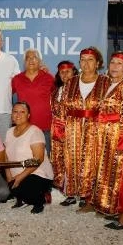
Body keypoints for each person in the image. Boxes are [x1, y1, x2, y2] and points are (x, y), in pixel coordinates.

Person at [83, 51, 123, 230]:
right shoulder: (108, 84)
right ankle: (113, 209)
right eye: (113, 63)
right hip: (105, 137)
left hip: (118, 136)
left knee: (122, 175)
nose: (114, 66)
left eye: (119, 64)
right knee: (110, 174)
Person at [58, 47, 110, 210]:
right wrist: (60, 127)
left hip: (95, 127)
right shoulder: (72, 81)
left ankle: (89, 196)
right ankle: (74, 192)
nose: (86, 63)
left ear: (98, 63)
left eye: (90, 60)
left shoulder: (105, 82)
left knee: (91, 161)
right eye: (83, 60)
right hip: (73, 126)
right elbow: (62, 106)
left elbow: (109, 107)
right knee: (72, 160)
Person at [4, 102, 53, 214]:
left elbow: (38, 159)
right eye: (15, 112)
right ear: (11, 114)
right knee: (3, 191)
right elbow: (6, 156)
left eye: (22, 112)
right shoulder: (9, 132)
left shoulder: (35, 131)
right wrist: (8, 175)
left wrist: (20, 177)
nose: (18, 115)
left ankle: (41, 199)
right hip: (15, 173)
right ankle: (22, 197)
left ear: (28, 115)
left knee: (28, 188)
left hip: (37, 173)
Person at [12, 49, 55, 153]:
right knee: (25, 158)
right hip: (23, 127)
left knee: (45, 162)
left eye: (34, 57)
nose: (31, 60)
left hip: (45, 128)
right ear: (24, 62)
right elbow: (8, 98)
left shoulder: (49, 78)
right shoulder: (17, 79)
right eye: (28, 58)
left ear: (40, 61)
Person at [50, 61, 77, 189]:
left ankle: (77, 190)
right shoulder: (56, 91)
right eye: (62, 72)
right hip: (57, 130)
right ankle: (65, 189)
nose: (65, 75)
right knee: (60, 161)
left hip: (73, 130)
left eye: (68, 71)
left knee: (73, 161)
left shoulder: (78, 91)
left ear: (74, 73)